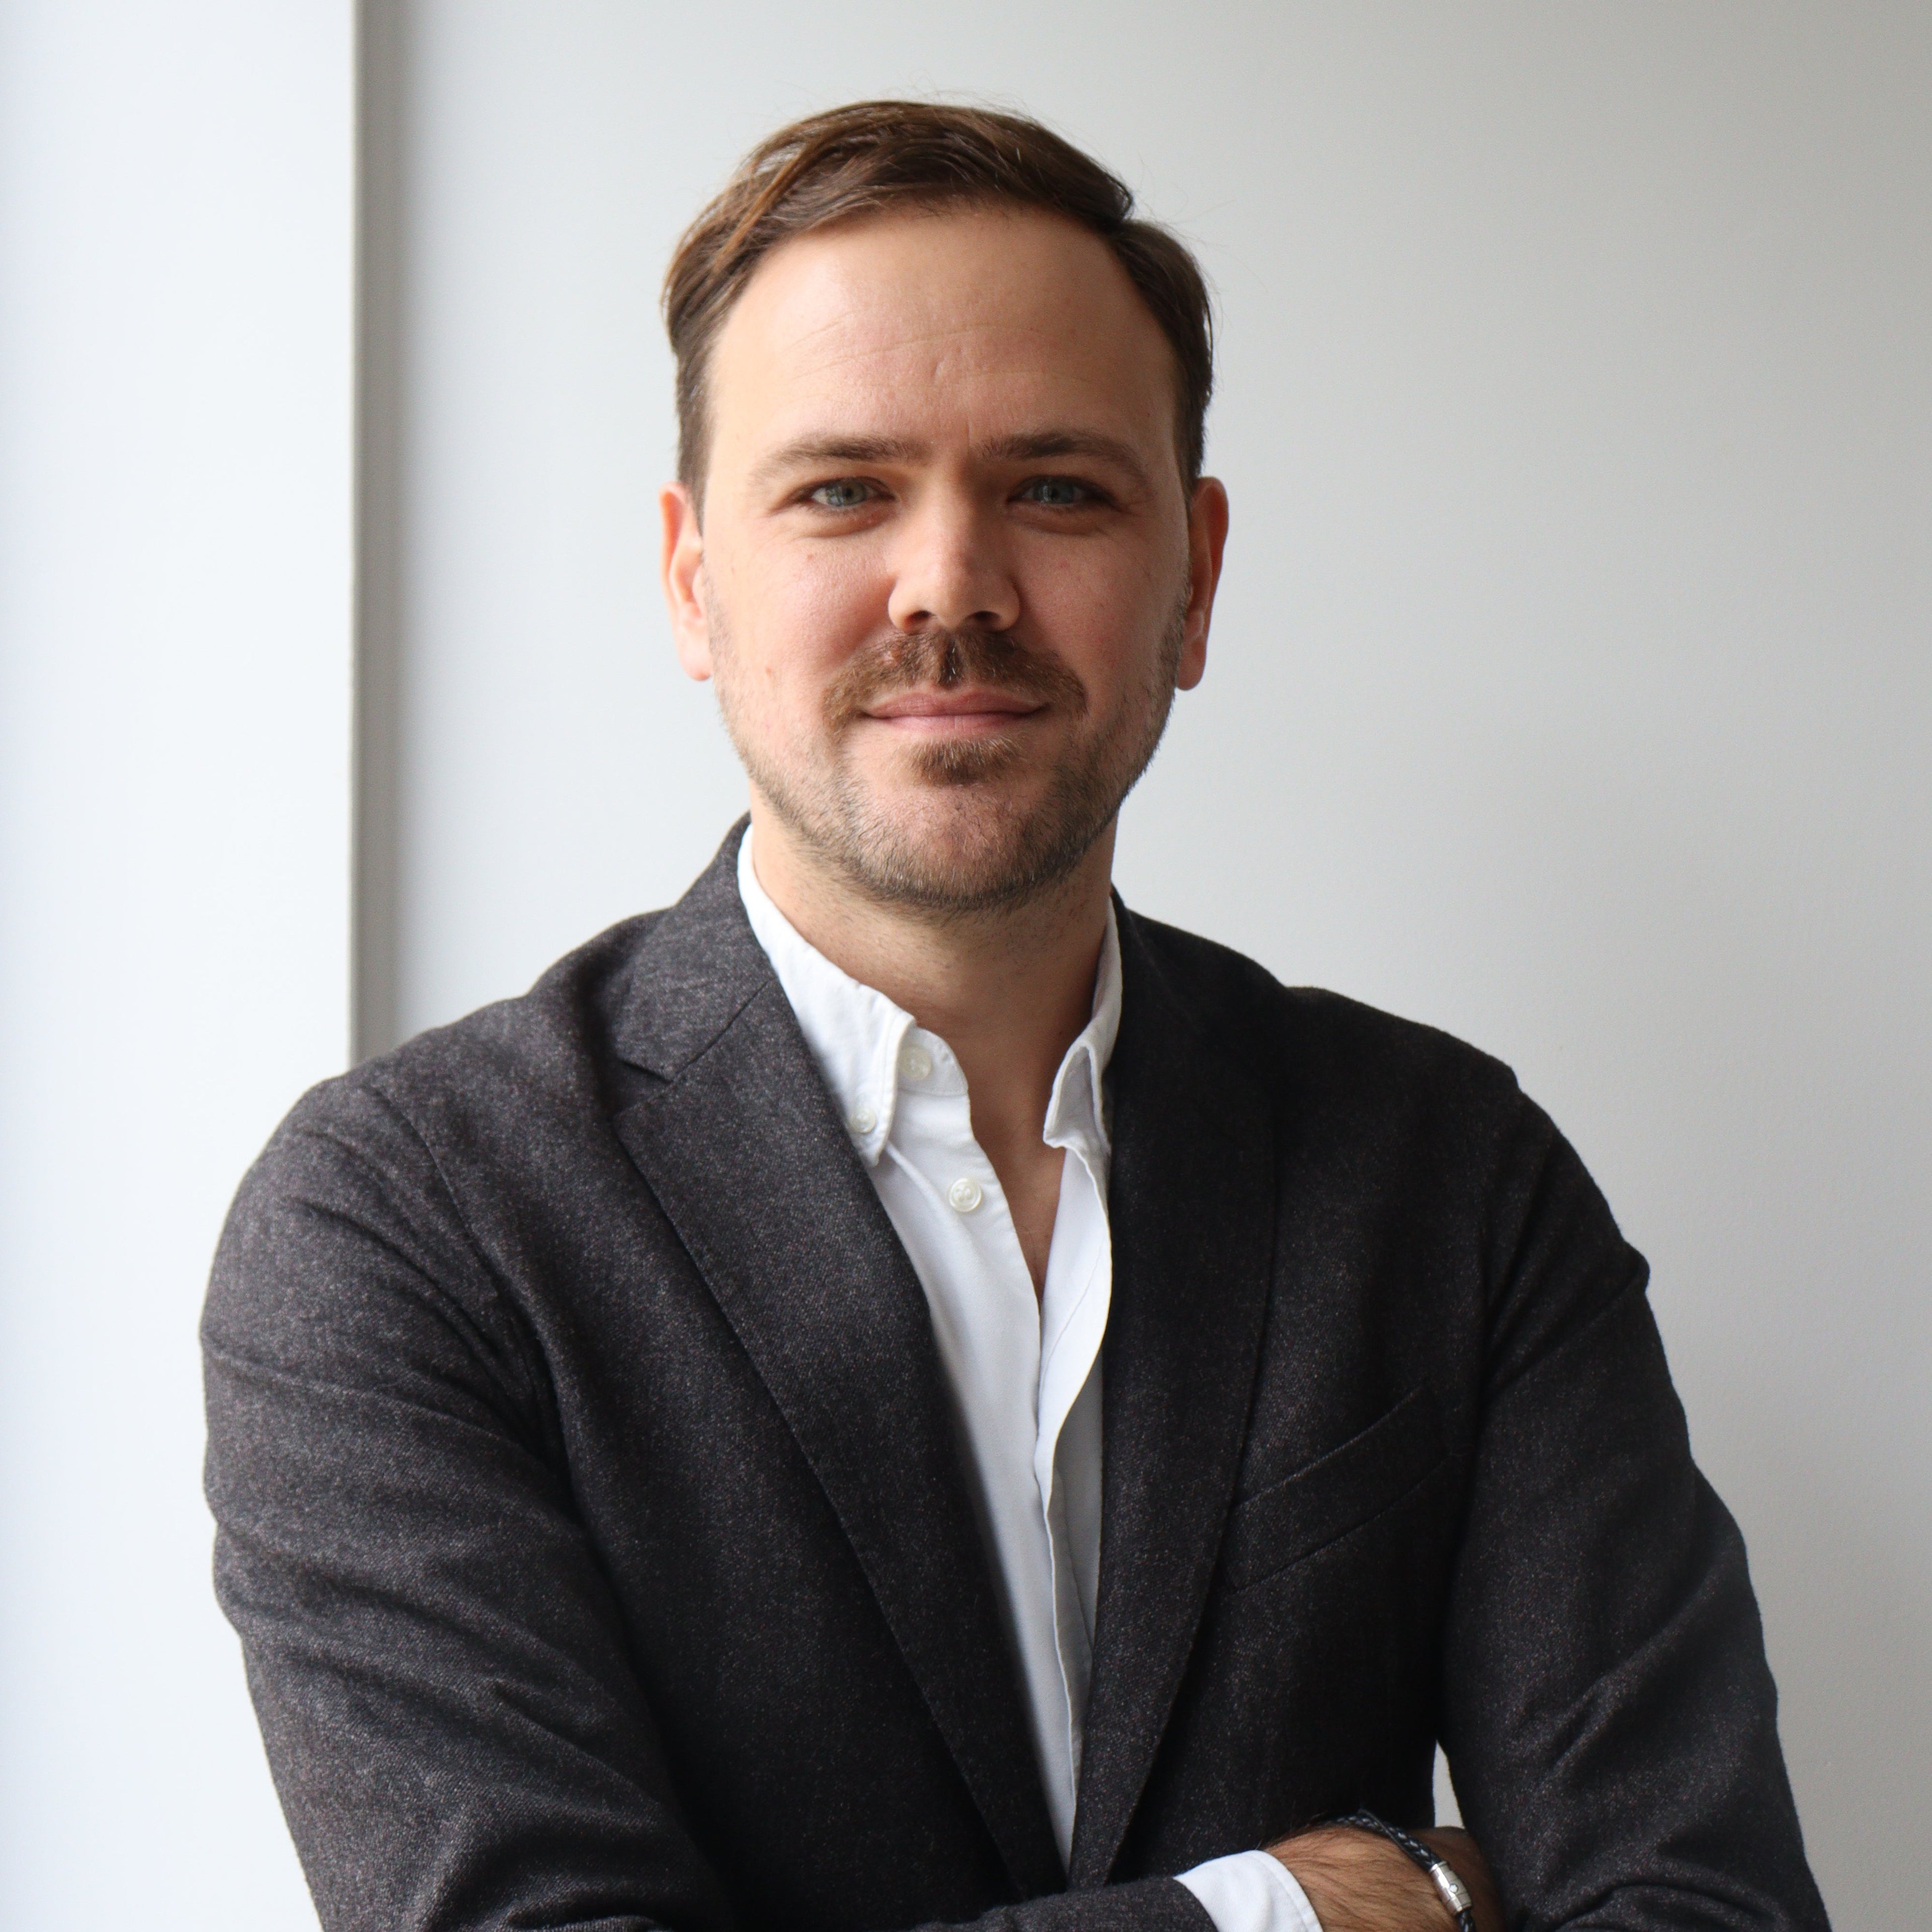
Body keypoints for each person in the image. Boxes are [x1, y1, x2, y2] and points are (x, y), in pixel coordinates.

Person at [203, 102, 1828, 1932]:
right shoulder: (405, 1227)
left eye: (1057, 488)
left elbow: (1708, 1902)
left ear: (1195, 576)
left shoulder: (1450, 1175)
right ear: (692, 580)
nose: (951, 586)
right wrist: (1278, 1914)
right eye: (842, 490)